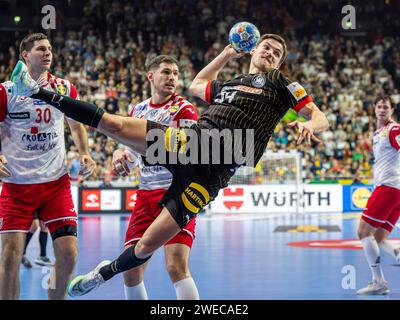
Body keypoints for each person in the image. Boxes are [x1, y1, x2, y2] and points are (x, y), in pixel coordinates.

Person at [10, 33, 329, 297]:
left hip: (215, 169)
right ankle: (36, 91)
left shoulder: (281, 84)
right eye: (266, 48)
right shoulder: (230, 84)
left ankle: (103, 273)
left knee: (147, 247)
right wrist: (227, 53)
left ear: (280, 61)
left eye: (277, 52)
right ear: (254, 51)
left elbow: (319, 116)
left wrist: (309, 126)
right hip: (194, 143)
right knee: (116, 127)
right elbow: (198, 84)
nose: (271, 54)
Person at [0, 33, 96, 300]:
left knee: (69, 253)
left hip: (55, 185)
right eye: (40, 49)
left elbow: (76, 125)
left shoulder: (64, 88)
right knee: (10, 258)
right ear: (25, 56)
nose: (47, 52)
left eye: (50, 48)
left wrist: (85, 152)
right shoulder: (6, 91)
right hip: (17, 187)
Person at [113, 55, 199, 300]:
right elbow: (131, 150)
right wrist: (120, 155)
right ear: (150, 76)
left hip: (177, 193)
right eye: (166, 72)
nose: (172, 77)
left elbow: (189, 151)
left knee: (175, 266)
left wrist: (144, 147)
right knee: (130, 269)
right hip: (146, 194)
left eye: (175, 73)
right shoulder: (138, 109)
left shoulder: (184, 109)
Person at [356, 95, 400, 295]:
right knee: (379, 237)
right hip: (394, 191)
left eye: (386, 107)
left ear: (391, 110)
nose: (382, 110)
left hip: (388, 188)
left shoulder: (393, 130)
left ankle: (379, 282)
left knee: (363, 232)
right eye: (379, 106)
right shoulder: (378, 133)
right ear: (374, 109)